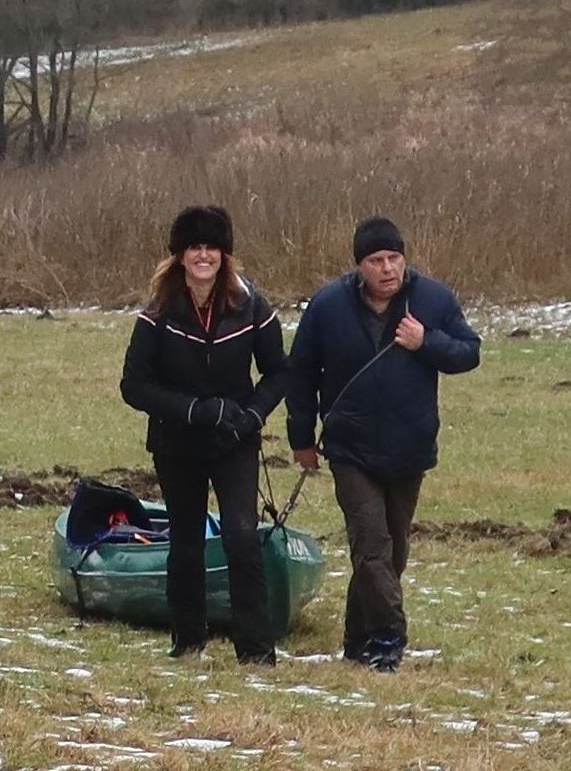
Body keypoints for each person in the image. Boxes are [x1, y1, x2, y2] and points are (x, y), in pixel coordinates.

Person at [286, 216, 480, 672]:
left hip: (409, 446)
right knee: (371, 545)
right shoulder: (328, 306)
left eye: (395, 258)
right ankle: (390, 637)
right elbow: (301, 373)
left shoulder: (432, 299)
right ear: (360, 266)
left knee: (392, 554)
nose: (388, 268)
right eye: (377, 260)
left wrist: (425, 341)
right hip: (350, 447)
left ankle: (357, 639)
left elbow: (468, 353)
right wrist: (301, 437)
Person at [120, 205, 289, 665]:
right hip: (177, 441)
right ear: (179, 255)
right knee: (187, 538)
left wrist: (252, 416)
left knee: (240, 534)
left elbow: (279, 372)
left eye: (211, 247)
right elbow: (134, 386)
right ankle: (188, 639)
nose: (203, 255)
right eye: (194, 247)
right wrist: (195, 411)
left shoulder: (252, 305)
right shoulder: (157, 312)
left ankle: (256, 650)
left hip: (234, 440)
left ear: (224, 254)